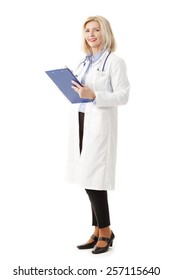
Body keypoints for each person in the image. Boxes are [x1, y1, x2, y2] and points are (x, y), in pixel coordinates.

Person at [66, 15, 130, 254]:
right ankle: (97, 230)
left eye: (96, 30)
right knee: (86, 177)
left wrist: (95, 95)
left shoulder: (115, 62)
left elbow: (123, 95)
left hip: (100, 125)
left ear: (105, 33)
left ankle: (106, 230)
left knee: (94, 179)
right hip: (82, 121)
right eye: (87, 31)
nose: (91, 35)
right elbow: (80, 91)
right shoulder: (84, 62)